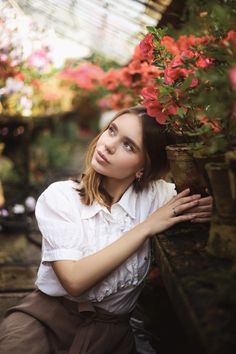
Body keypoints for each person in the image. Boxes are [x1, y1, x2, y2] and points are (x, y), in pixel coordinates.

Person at [0, 106, 212, 354]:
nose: (109, 145)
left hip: (110, 335)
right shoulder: (61, 197)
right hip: (45, 320)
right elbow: (74, 280)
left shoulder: (157, 197)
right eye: (112, 131)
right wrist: (146, 228)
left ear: (144, 167)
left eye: (128, 145)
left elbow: (215, 200)